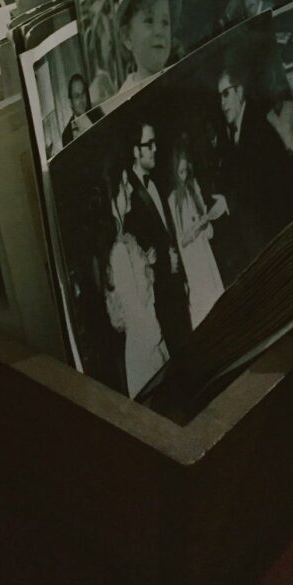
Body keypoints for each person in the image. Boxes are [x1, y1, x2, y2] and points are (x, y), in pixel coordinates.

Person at [214, 62, 293, 283]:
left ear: (240, 91)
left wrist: (229, 203)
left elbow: (264, 185)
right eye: (219, 97)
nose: (222, 104)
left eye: (225, 94)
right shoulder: (239, 129)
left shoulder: (257, 126)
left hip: (278, 234)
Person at [125, 118, 192, 355]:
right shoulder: (130, 198)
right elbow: (141, 256)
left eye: (155, 143)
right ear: (135, 151)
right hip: (161, 297)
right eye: (148, 144)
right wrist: (167, 264)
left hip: (175, 288)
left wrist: (182, 277)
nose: (155, 148)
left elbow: (169, 235)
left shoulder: (155, 183)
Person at [104, 160, 167, 397]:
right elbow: (135, 312)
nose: (130, 188)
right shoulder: (118, 251)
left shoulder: (125, 242)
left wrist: (145, 263)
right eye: (123, 185)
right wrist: (157, 342)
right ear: (113, 198)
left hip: (149, 339)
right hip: (145, 347)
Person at [168, 137, 226, 329]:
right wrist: (193, 231)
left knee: (219, 301)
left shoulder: (195, 189)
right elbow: (181, 241)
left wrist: (207, 222)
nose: (184, 176)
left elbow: (210, 233)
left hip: (206, 257)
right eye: (180, 172)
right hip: (193, 265)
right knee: (204, 311)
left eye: (187, 171)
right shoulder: (172, 200)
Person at [116, 0, 181, 93]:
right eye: (149, 20)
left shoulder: (180, 80)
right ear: (127, 36)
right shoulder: (126, 98)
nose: (159, 32)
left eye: (165, 22)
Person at [61, 72, 91, 147]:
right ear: (71, 102)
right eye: (77, 96)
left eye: (83, 93)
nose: (81, 99)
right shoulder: (67, 135)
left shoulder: (98, 114)